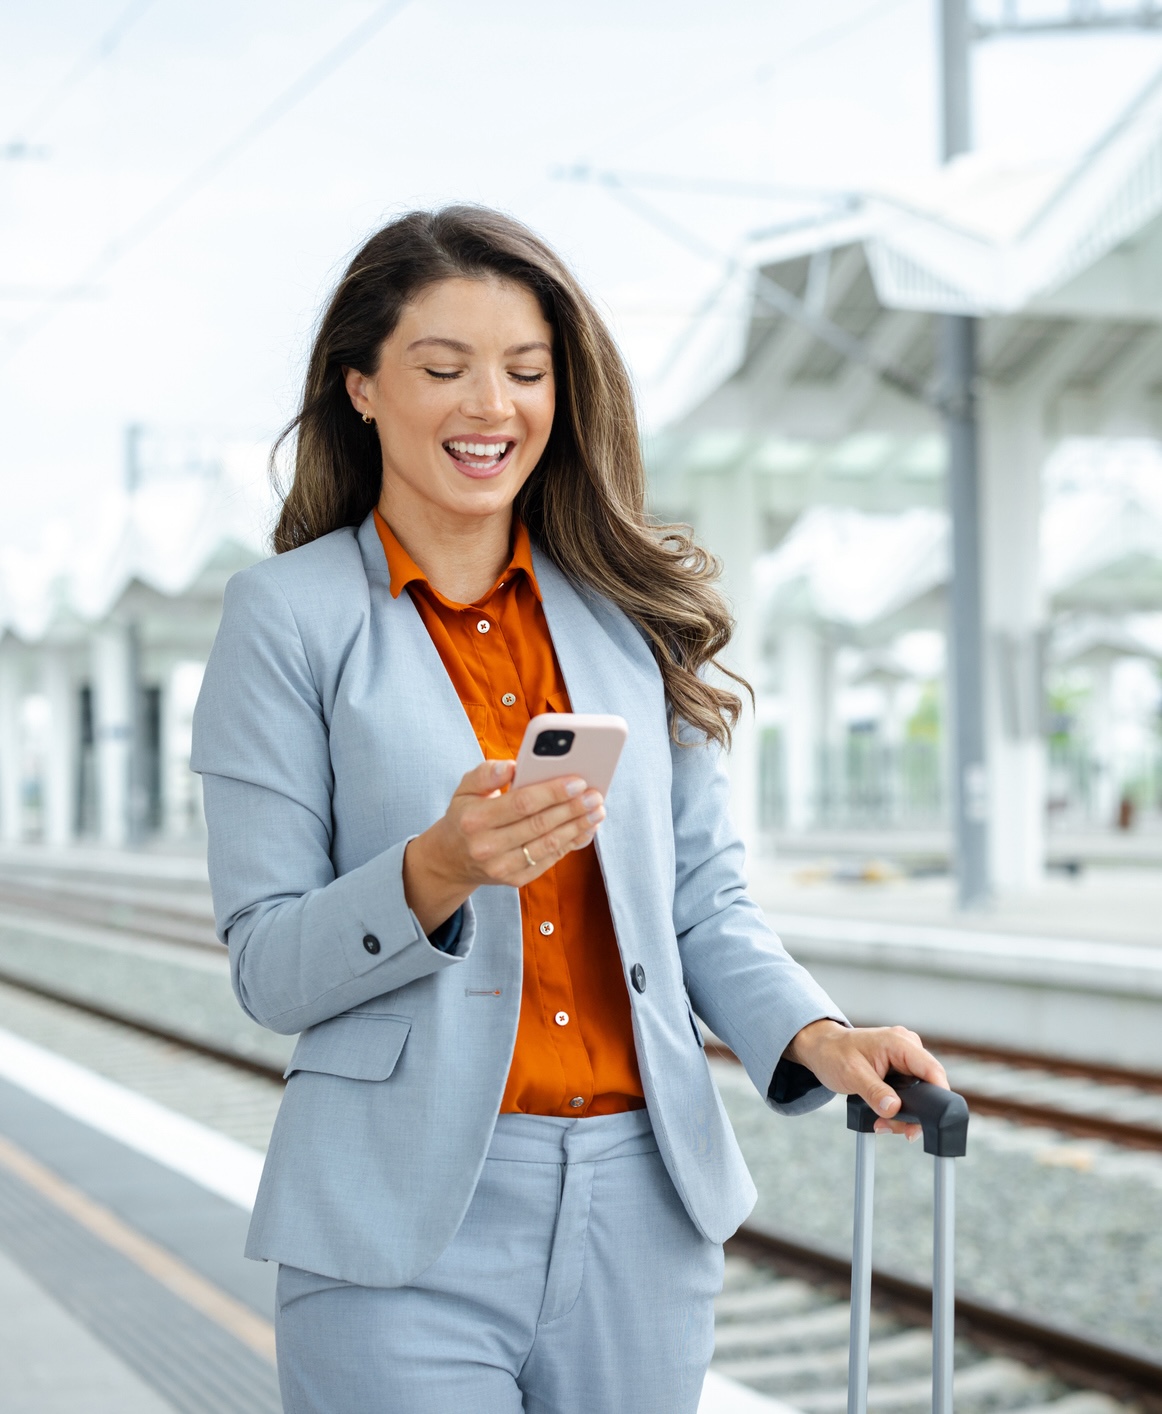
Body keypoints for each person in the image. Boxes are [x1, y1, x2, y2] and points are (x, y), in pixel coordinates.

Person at [191, 205, 947, 1414]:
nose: (490, 405)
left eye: (526, 371)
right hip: (396, 1224)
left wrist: (816, 1035)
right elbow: (269, 967)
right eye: (443, 368)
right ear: (363, 389)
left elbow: (702, 902)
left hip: (640, 1214)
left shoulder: (624, 618)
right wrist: (432, 870)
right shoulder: (282, 618)